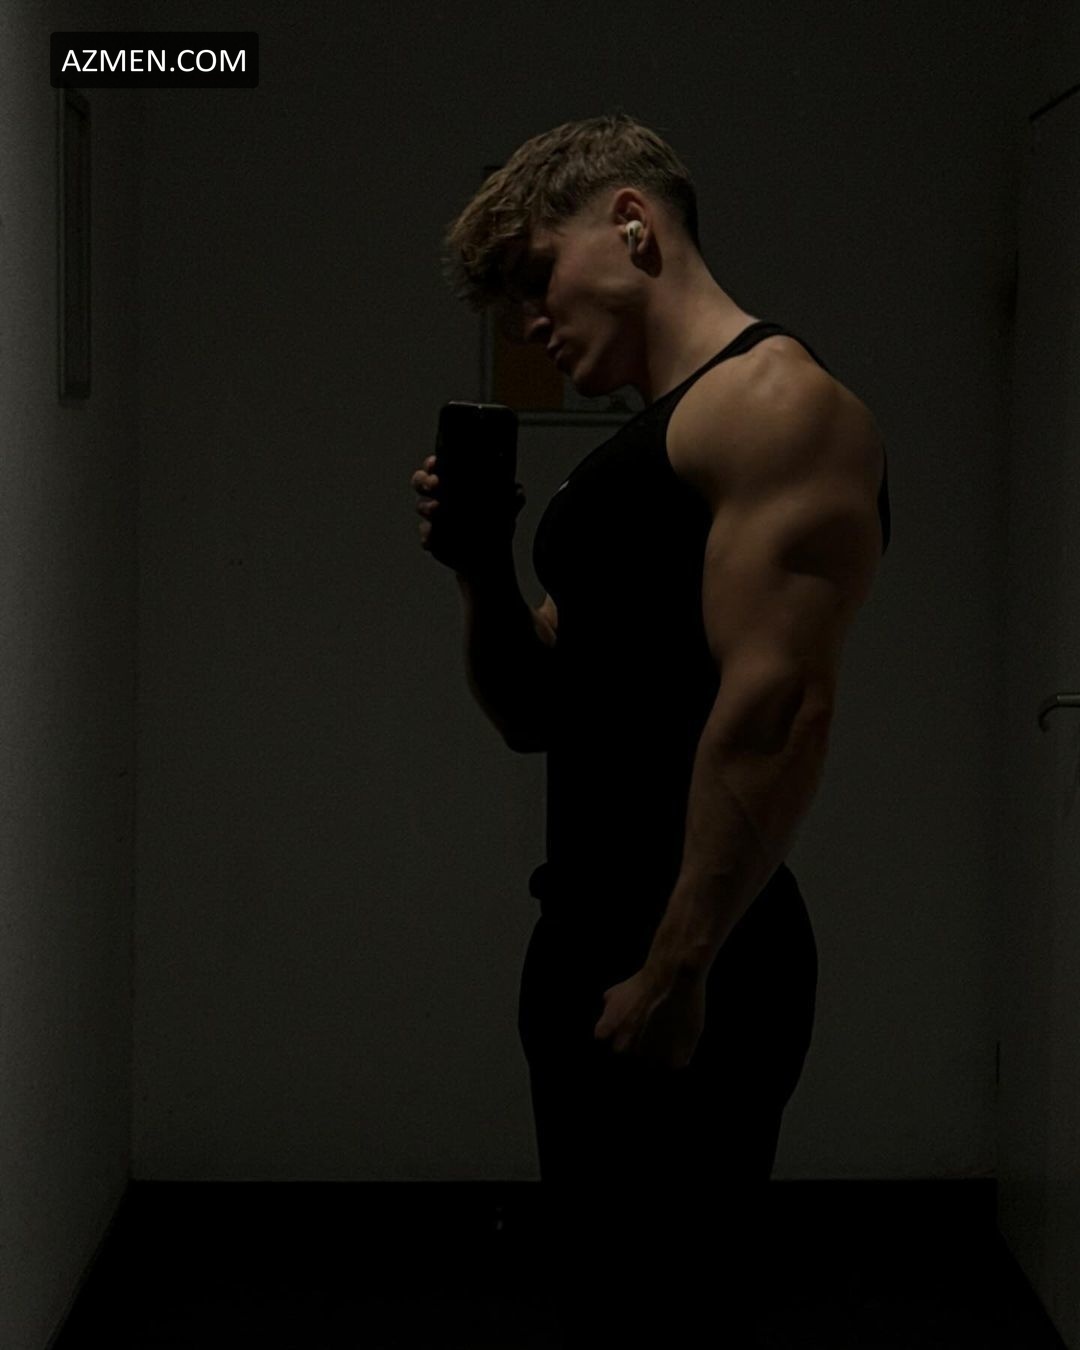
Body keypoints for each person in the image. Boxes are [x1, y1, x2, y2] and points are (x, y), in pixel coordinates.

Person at [412, 112, 891, 1348]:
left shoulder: (776, 404)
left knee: (674, 1306)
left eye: (537, 276)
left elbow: (778, 708)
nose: (530, 321)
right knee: (602, 1298)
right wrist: (479, 565)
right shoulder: (637, 452)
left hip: (690, 957)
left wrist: (681, 967)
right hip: (588, 931)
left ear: (632, 226)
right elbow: (534, 711)